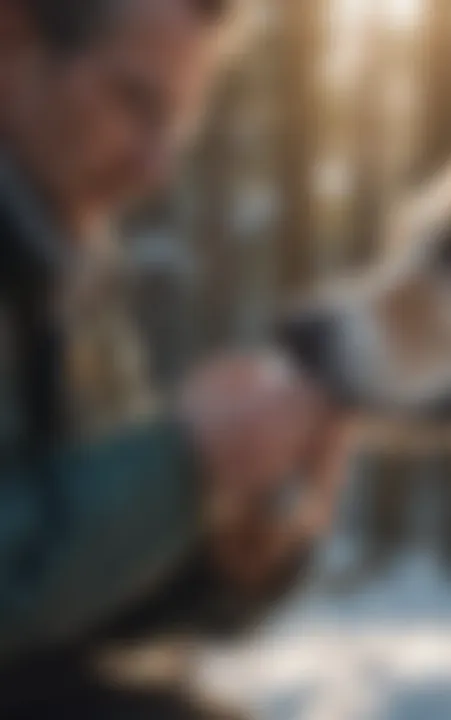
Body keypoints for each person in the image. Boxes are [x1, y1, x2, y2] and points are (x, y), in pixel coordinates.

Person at [0, 0, 346, 712]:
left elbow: (67, 608)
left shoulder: (65, 266)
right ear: (14, 35)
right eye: (135, 102)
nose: (157, 167)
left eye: (179, 124)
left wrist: (221, 557)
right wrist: (183, 463)